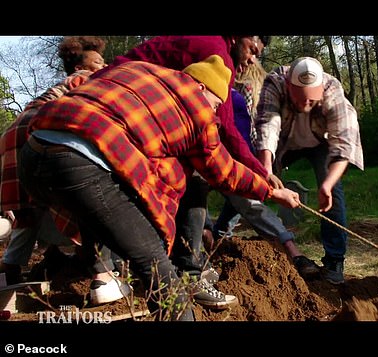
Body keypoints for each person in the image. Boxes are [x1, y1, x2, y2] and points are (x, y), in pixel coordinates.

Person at [18, 54, 301, 321]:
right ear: (201, 87)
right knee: (155, 265)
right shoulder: (197, 107)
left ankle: (103, 278)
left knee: (102, 216)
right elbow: (222, 170)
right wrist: (272, 191)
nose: (214, 113)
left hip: (31, 155)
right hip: (78, 164)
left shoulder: (135, 69)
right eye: (216, 104)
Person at [92, 36, 285, 307]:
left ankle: (107, 271)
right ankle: (187, 274)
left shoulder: (204, 43)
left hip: (110, 100)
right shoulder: (217, 54)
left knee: (102, 177)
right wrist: (262, 178)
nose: (252, 59)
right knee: (194, 179)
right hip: (122, 108)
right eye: (252, 49)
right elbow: (225, 131)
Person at [0, 36, 130, 305]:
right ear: (78, 67)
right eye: (97, 62)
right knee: (92, 197)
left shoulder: (59, 86)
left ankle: (10, 274)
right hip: (42, 129)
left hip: (16, 132)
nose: (103, 65)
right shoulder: (87, 80)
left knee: (29, 212)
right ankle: (102, 275)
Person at [255, 57, 364, 284]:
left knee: (332, 189)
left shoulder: (332, 90)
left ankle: (335, 260)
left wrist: (327, 184)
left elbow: (344, 142)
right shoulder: (274, 83)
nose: (306, 105)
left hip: (319, 142)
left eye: (312, 101)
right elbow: (267, 126)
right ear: (289, 86)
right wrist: (265, 170)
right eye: (300, 98)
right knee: (256, 180)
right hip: (283, 142)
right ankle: (258, 244)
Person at [212, 59, 321, 280]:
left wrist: (263, 175)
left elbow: (241, 143)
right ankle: (208, 247)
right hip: (202, 162)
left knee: (245, 202)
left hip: (233, 161)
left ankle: (219, 245)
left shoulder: (236, 101)